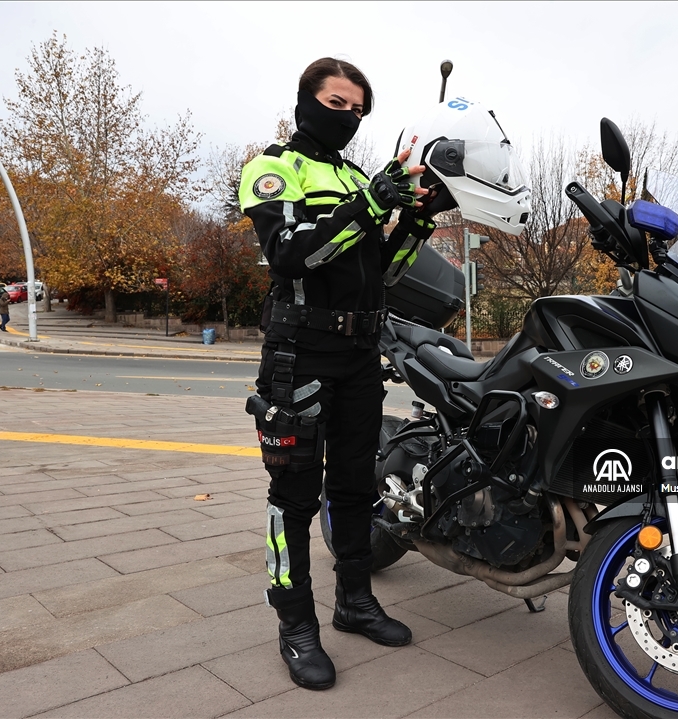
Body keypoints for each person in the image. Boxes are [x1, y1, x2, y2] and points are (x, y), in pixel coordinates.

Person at [238, 57, 438, 691]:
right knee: (293, 497)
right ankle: (295, 624)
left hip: (359, 357)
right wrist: (370, 203)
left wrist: (418, 219)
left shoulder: (355, 176)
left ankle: (355, 601)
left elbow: (385, 272)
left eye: (358, 110)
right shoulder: (273, 167)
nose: (348, 117)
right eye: (337, 103)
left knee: (354, 488)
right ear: (305, 102)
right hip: (301, 352)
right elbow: (291, 254)